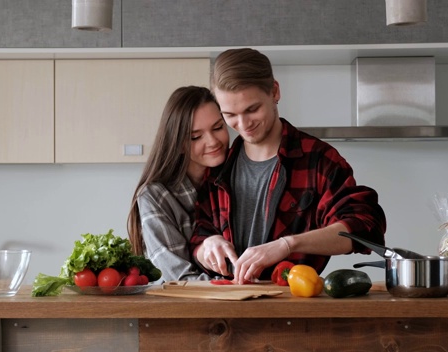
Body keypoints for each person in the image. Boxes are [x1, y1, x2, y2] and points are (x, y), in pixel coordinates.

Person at [190, 48, 387, 284]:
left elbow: (363, 227)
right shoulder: (219, 168)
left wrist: (287, 244)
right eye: (230, 115)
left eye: (252, 109)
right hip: (225, 306)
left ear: (274, 92)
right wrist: (207, 245)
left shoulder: (318, 160)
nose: (243, 125)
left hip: (293, 305)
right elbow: (198, 235)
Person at [127, 86, 230, 282]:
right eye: (195, 137)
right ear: (178, 143)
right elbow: (179, 278)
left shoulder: (237, 176)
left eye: (218, 127)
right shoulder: (154, 196)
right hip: (183, 309)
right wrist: (236, 288)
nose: (212, 141)